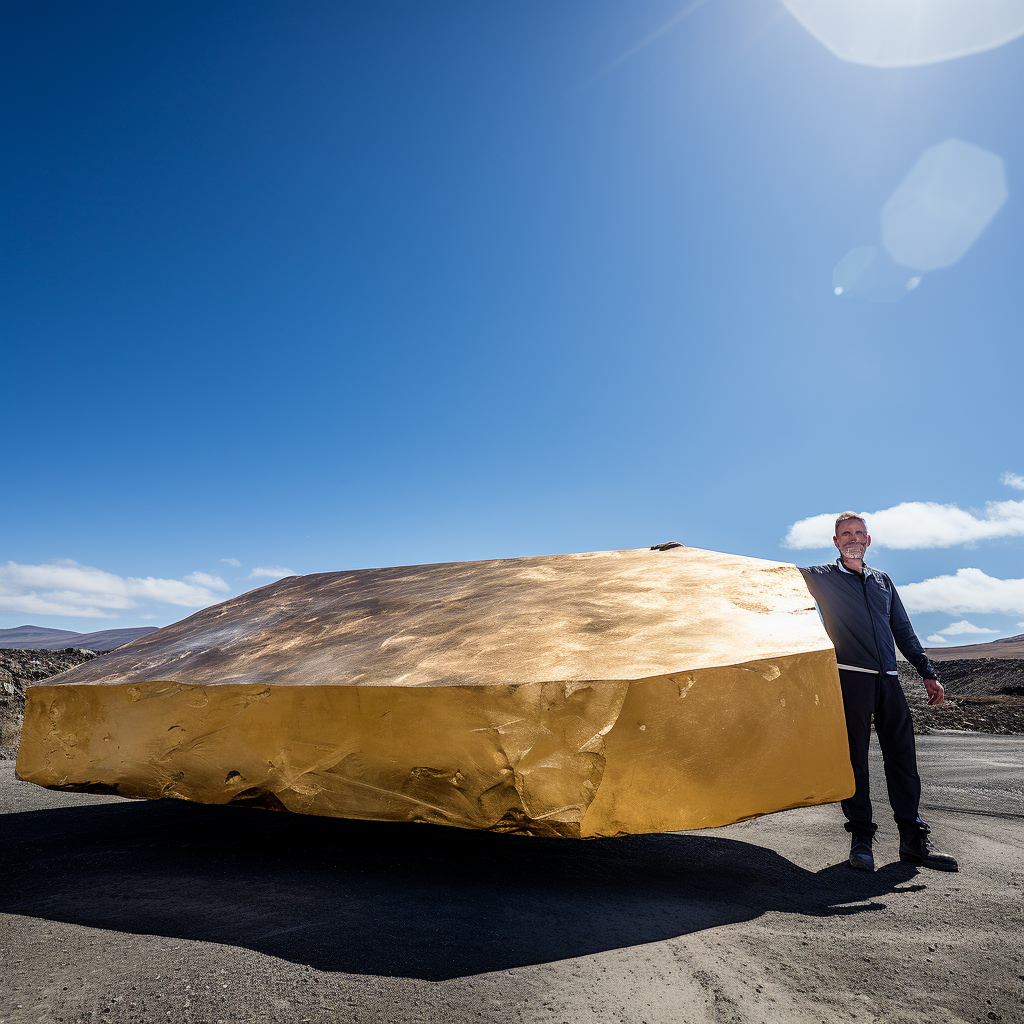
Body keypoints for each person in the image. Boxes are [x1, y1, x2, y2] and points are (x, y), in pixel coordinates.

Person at [800, 511, 958, 873]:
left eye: (859, 533)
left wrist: (927, 673)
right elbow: (768, 577)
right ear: (836, 542)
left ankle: (913, 843)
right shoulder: (820, 577)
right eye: (845, 533)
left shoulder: (882, 581)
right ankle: (861, 841)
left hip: (889, 680)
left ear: (868, 540)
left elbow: (903, 630)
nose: (853, 538)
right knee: (855, 761)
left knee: (903, 761)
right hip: (850, 679)